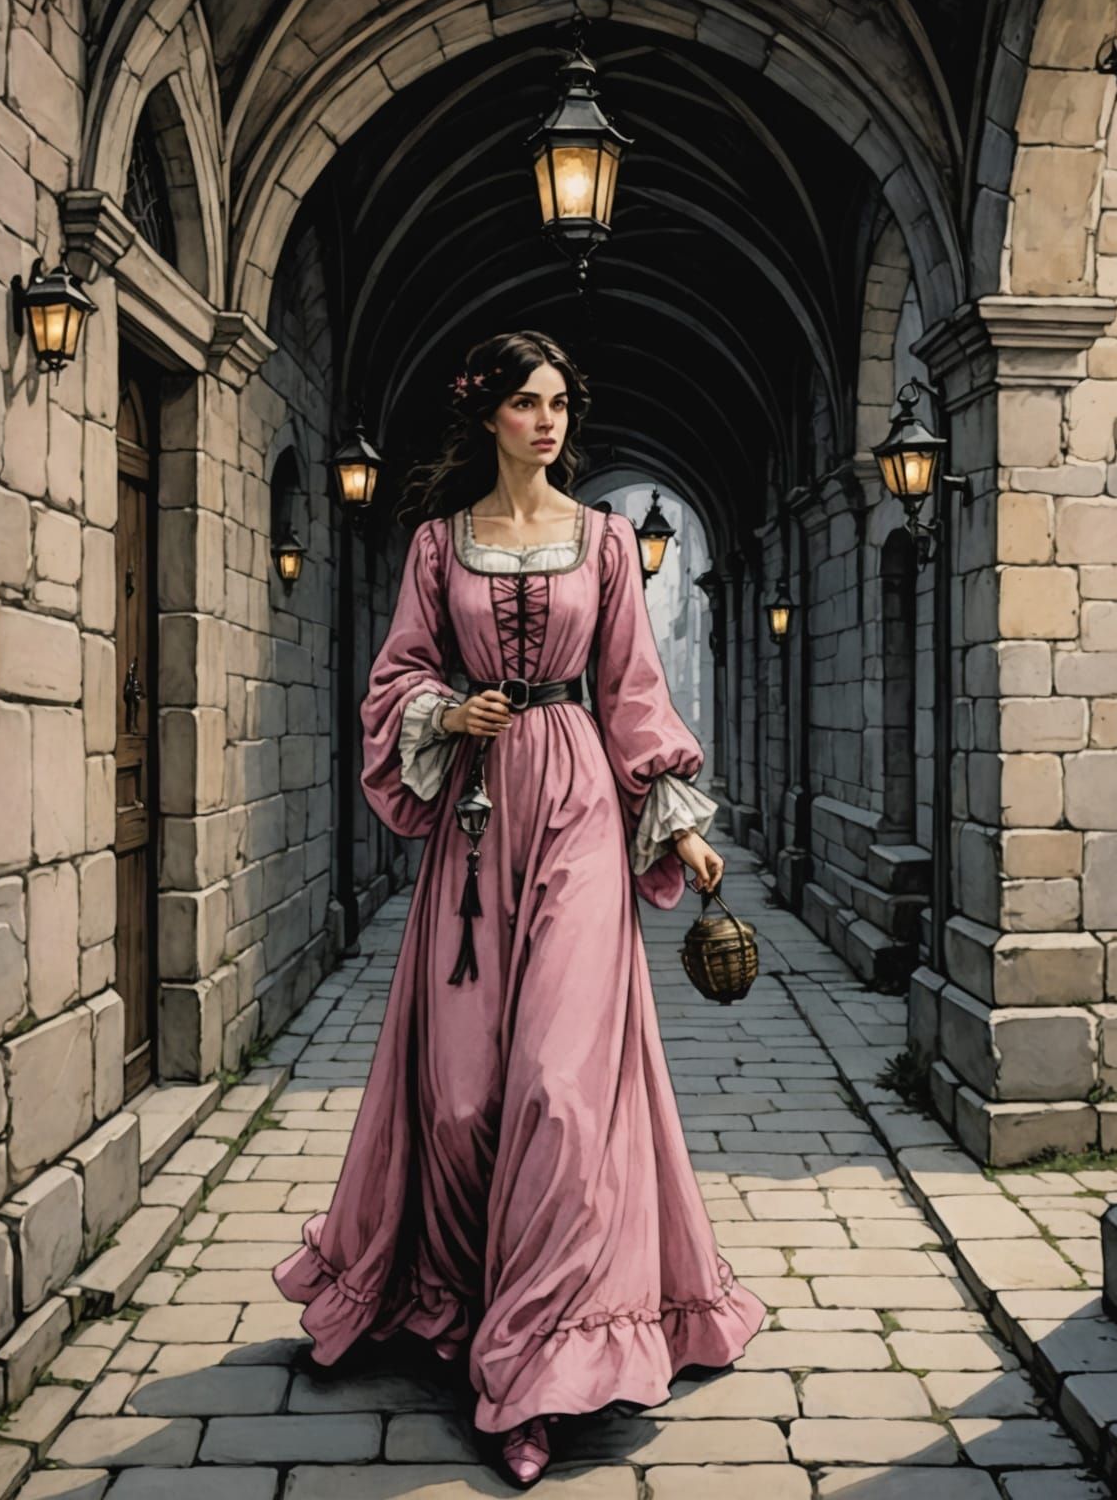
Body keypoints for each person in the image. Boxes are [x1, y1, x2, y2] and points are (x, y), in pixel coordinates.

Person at [272, 329, 766, 1486]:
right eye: (527, 403)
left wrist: (681, 823)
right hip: (478, 825)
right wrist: (447, 715)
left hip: (583, 809)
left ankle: (540, 1368)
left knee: (556, 1086)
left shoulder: (603, 544)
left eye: (560, 403)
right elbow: (396, 678)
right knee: (457, 1102)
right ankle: (455, 1310)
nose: (548, 422)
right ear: (488, 415)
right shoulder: (438, 546)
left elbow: (632, 689)